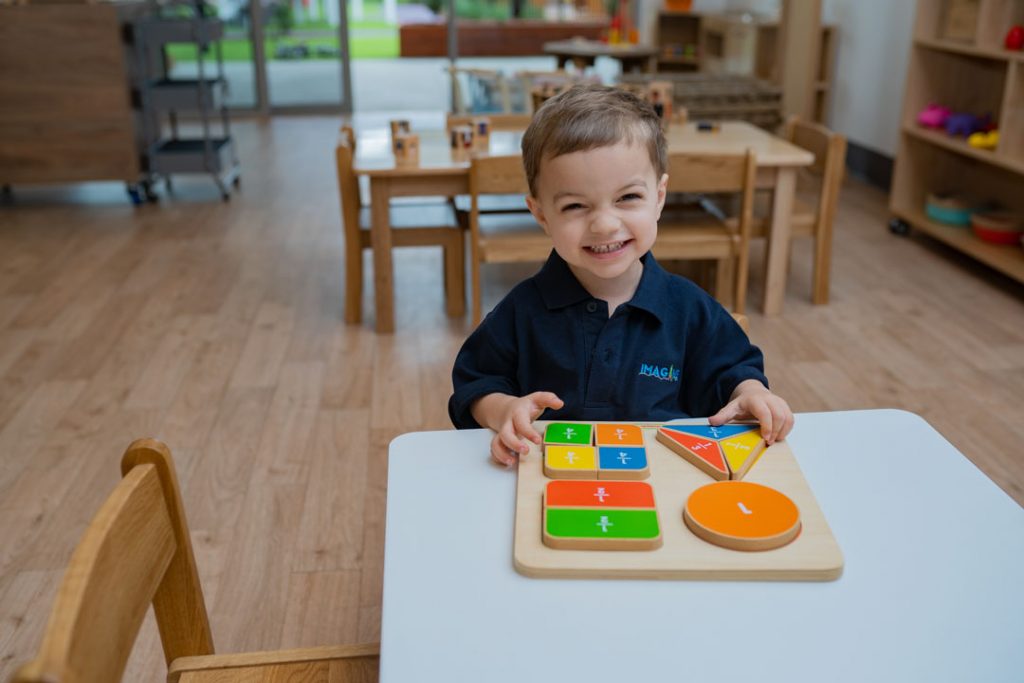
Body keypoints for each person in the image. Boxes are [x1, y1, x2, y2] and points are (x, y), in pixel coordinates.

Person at [448, 84, 793, 466]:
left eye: (628, 198)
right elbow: (477, 383)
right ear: (541, 214)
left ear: (659, 197)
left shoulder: (688, 308)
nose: (605, 225)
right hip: (551, 476)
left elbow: (733, 369)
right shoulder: (522, 310)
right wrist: (504, 411)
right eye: (576, 206)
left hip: (663, 479)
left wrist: (750, 393)